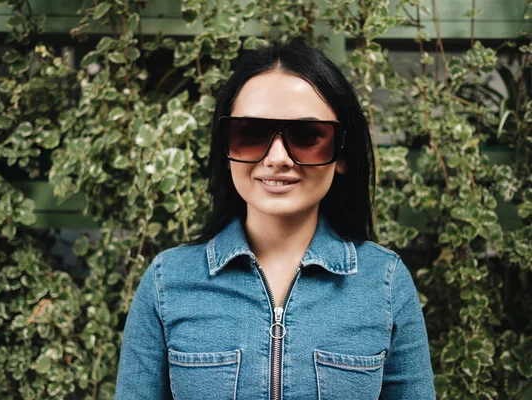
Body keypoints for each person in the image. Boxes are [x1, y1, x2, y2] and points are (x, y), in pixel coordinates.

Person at [115, 39, 436, 399]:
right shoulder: (167, 282)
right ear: (225, 148)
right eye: (251, 134)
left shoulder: (385, 282)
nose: (278, 157)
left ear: (342, 153)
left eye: (306, 136)